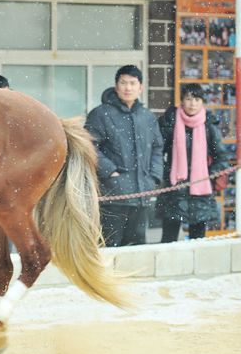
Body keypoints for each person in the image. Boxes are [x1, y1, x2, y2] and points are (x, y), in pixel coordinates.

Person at [84, 65, 163, 247]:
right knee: (109, 244)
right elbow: (89, 146)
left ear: (140, 87)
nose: (128, 88)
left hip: (142, 193)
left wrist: (153, 177)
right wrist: (110, 172)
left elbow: (157, 148)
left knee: (137, 245)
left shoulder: (147, 117)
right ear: (116, 86)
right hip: (113, 193)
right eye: (123, 83)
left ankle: (134, 277)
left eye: (132, 83)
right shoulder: (101, 114)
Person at [156, 83, 231, 242]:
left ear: (202, 101)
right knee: (169, 238)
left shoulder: (209, 125)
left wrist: (208, 176)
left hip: (201, 189)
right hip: (175, 188)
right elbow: (156, 152)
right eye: (188, 99)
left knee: (198, 239)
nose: (192, 104)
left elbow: (222, 157)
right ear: (182, 101)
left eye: (197, 99)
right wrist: (167, 173)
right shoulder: (170, 122)